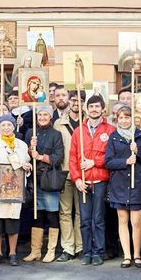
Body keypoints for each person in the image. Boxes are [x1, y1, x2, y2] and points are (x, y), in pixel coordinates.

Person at [69, 95, 114, 266]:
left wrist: (94, 162)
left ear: (102, 109)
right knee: (85, 219)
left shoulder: (109, 130)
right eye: (91, 106)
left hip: (101, 180)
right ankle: (87, 251)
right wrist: (77, 178)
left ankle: (98, 251)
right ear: (86, 109)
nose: (94, 109)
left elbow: (112, 155)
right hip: (84, 182)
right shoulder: (79, 131)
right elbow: (72, 158)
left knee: (99, 218)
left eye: (97, 106)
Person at [105, 106, 141, 268]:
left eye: (127, 117)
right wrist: (125, 162)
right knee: (122, 220)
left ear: (132, 118)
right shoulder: (113, 137)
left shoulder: (140, 136)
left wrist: (137, 153)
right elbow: (108, 162)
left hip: (137, 183)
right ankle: (127, 255)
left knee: (136, 221)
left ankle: (137, 254)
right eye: (121, 118)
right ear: (117, 119)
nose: (124, 121)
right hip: (120, 184)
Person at [0, 115, 31, 266]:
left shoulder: (22, 145)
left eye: (9, 125)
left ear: (14, 126)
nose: (6, 127)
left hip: (15, 188)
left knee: (13, 222)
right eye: (3, 125)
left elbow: (27, 163)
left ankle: (12, 253)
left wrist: (27, 167)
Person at [23, 106, 64, 263]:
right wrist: (30, 148)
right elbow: (25, 155)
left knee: (51, 214)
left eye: (45, 114)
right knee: (36, 215)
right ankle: (35, 251)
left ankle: (51, 251)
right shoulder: (30, 133)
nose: (42, 117)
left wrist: (40, 156)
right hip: (34, 179)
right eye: (40, 114)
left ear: (50, 116)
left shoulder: (56, 135)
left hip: (49, 178)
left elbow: (58, 157)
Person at [54, 90, 83, 262]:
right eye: (73, 100)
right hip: (65, 171)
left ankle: (80, 246)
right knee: (65, 212)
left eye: (80, 100)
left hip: (83, 174)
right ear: (69, 102)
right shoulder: (59, 123)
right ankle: (67, 247)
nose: (76, 104)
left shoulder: (87, 123)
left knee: (81, 212)